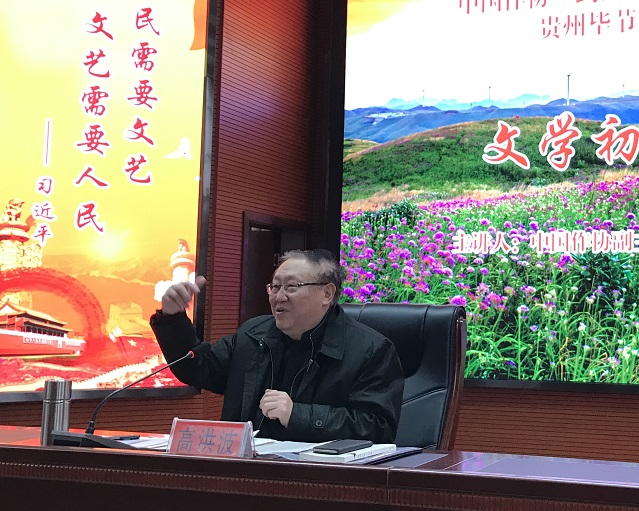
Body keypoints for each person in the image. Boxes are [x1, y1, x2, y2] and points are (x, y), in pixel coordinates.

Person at [150, 248, 404, 443]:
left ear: (327, 293)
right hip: (245, 473)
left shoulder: (371, 350)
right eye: (275, 286)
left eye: (292, 286)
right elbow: (197, 367)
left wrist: (297, 414)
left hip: (317, 480)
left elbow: (377, 428)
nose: (279, 296)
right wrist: (173, 318)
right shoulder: (253, 335)